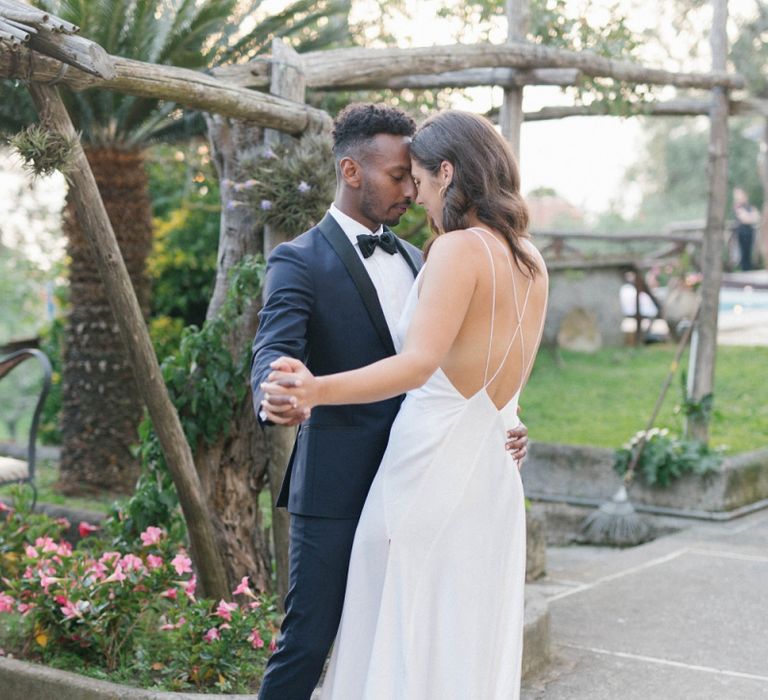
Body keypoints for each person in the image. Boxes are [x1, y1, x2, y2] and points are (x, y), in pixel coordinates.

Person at [262, 110, 548, 700]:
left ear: (448, 172)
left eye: (415, 177)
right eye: (399, 177)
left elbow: (435, 363)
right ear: (351, 170)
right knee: (322, 638)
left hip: (426, 469)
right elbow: (273, 354)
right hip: (357, 478)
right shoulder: (300, 259)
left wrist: (507, 421)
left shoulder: (440, 252)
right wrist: (282, 395)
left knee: (403, 634)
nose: (412, 193)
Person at [733, 187, 759, 272]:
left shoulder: (749, 206)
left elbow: (756, 217)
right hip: (742, 232)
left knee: (748, 252)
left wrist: (750, 217)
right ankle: (745, 270)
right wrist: (750, 217)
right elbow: (745, 219)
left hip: (749, 232)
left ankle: (748, 269)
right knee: (743, 252)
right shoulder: (738, 206)